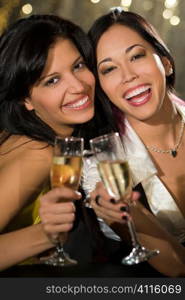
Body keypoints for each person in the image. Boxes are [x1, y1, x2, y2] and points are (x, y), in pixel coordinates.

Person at [0, 14, 117, 271]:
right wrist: (45, 235)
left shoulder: (52, 141)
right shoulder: (38, 153)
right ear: (25, 100)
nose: (78, 86)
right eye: (52, 80)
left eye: (77, 66)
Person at [84, 8, 185, 277]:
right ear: (102, 87)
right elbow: (177, 268)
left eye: (136, 56)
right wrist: (128, 215)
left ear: (165, 62)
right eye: (109, 68)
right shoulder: (102, 167)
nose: (128, 75)